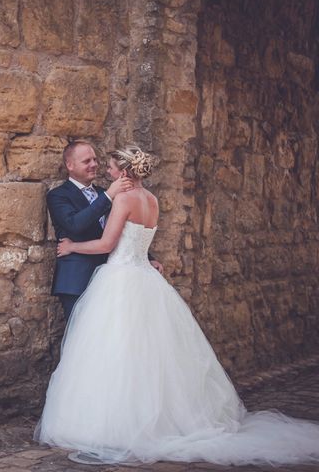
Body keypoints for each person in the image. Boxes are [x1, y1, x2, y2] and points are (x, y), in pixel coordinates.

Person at [34, 145, 319, 466]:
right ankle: (107, 413)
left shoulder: (113, 194)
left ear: (124, 170)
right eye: (89, 161)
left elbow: (110, 240)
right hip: (92, 279)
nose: (99, 167)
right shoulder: (69, 195)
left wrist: (139, 252)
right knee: (92, 352)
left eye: (102, 163)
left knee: (129, 353)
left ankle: (124, 421)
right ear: (69, 164)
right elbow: (79, 226)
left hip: (118, 277)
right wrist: (125, 234)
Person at [47, 140, 163, 321]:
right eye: (87, 161)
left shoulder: (109, 193)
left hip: (113, 279)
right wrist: (108, 196)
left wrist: (148, 258)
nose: (94, 164)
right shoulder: (58, 195)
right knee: (80, 339)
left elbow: (125, 231)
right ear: (70, 165)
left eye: (94, 159)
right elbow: (75, 224)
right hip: (77, 279)